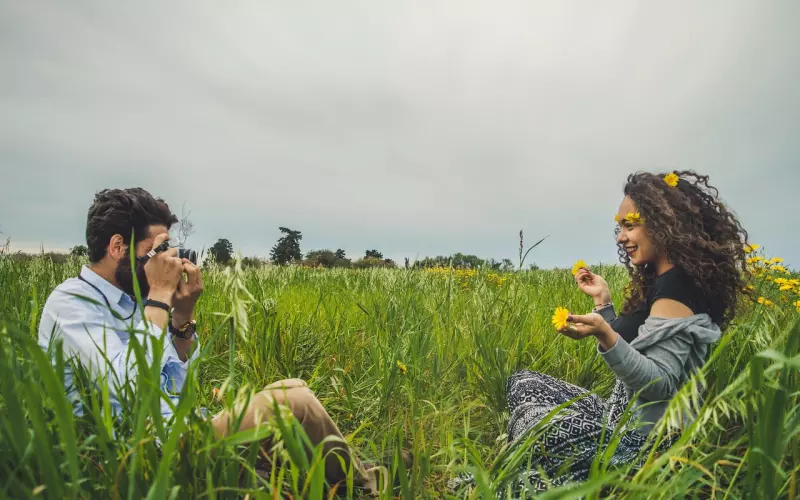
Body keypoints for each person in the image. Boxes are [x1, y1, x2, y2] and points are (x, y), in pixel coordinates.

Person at [37, 188, 384, 494]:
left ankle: (345, 472)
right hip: (137, 456)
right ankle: (362, 485)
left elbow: (178, 386)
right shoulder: (71, 304)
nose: (169, 259)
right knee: (293, 400)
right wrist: (159, 296)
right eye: (158, 249)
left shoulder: (134, 300)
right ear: (117, 247)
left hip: (176, 431)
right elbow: (133, 389)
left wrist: (181, 316)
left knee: (291, 385)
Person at [453, 170, 749, 493]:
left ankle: (521, 473)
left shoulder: (676, 288)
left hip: (643, 446)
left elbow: (659, 383)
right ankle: (539, 454)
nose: (621, 237)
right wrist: (603, 305)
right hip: (618, 415)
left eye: (629, 225)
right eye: (619, 227)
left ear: (663, 225)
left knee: (535, 424)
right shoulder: (662, 279)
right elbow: (638, 342)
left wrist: (604, 335)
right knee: (523, 383)